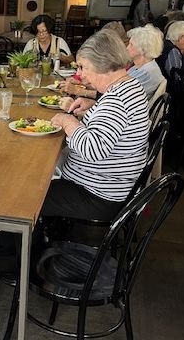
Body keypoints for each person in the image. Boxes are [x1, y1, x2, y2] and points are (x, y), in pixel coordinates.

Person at [42, 29, 148, 223]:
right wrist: (94, 107)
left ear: (102, 63)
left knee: (29, 194)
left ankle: (18, 247)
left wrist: (69, 122)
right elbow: (112, 125)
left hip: (98, 196)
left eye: (83, 67)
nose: (79, 74)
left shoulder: (116, 101)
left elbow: (93, 150)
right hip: (111, 185)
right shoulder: (130, 85)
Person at [126, 24, 165, 99]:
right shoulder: (144, 67)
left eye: (131, 45)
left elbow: (119, 94)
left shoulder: (146, 74)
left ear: (143, 50)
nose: (127, 48)